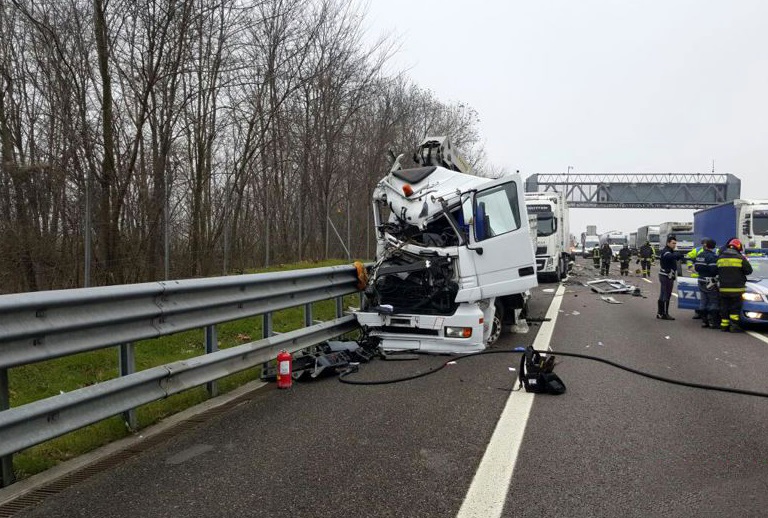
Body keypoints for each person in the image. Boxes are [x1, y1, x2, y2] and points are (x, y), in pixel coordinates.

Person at [716, 238, 752, 332]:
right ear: (738, 247)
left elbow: (716, 271)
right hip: (736, 288)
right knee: (734, 308)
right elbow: (749, 271)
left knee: (724, 307)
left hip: (723, 288)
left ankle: (724, 325)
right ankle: (734, 326)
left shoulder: (720, 258)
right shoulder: (740, 258)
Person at [694, 238, 720, 329]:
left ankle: (704, 322)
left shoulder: (699, 255)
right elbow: (713, 270)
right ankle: (713, 322)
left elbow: (696, 268)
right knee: (713, 301)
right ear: (713, 247)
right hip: (710, 281)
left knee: (703, 301)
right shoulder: (712, 257)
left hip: (701, 279)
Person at [657, 235, 684, 320]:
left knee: (663, 294)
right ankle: (665, 314)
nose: (674, 245)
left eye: (675, 243)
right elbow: (670, 256)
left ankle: (660, 313)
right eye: (673, 243)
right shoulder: (666, 251)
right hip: (666, 275)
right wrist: (678, 254)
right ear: (668, 243)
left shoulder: (670, 251)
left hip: (668, 275)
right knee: (666, 294)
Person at [686, 238, 709, 319]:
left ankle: (706, 313)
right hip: (696, 277)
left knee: (706, 297)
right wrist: (690, 266)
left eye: (706, 244)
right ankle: (697, 312)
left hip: (708, 277)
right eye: (704, 244)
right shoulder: (697, 250)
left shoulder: (714, 250)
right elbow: (688, 256)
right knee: (697, 296)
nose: (705, 245)